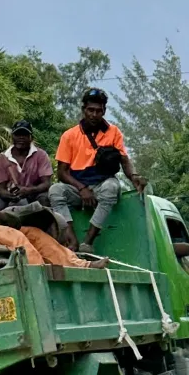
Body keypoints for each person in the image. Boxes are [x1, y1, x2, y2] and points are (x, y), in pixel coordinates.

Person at [0, 136, 97, 269]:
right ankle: (38, 274)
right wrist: (3, 218)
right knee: (17, 239)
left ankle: (78, 265)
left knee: (35, 234)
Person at [49, 87, 145, 253]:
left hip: (102, 183)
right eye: (90, 110)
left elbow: (124, 160)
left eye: (98, 111)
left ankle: (88, 242)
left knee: (112, 187)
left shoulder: (114, 132)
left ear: (104, 111)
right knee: (55, 190)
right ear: (83, 110)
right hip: (78, 185)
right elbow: (62, 173)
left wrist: (134, 176)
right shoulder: (69, 135)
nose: (94, 115)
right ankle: (71, 240)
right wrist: (82, 189)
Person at [0, 120, 53, 206]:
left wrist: (29, 190)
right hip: (11, 195)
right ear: (12, 137)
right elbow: (0, 189)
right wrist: (11, 196)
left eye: (25, 134)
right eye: (17, 134)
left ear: (31, 137)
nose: (21, 137)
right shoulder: (2, 158)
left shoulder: (41, 155)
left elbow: (46, 184)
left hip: (36, 194)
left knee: (45, 199)